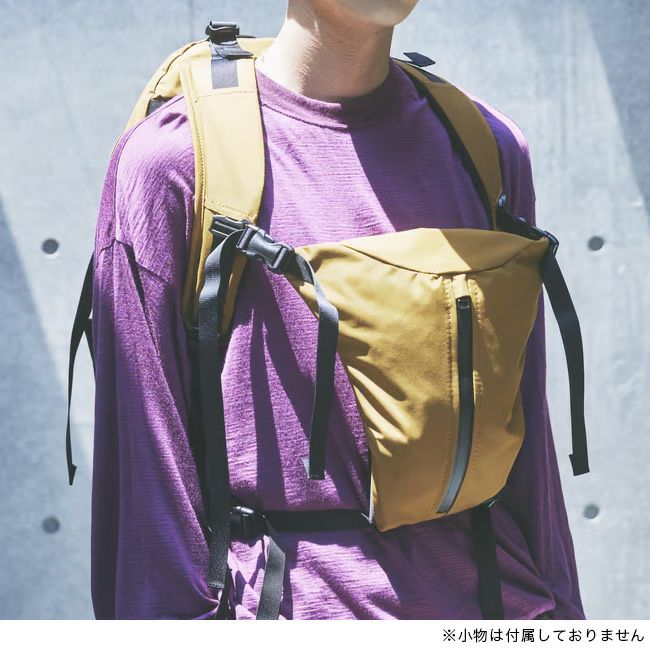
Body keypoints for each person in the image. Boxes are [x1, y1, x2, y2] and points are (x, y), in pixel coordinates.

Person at [90, 0, 585, 619]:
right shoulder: (175, 160)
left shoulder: (486, 145)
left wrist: (566, 619)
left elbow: (528, 439)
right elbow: (146, 481)